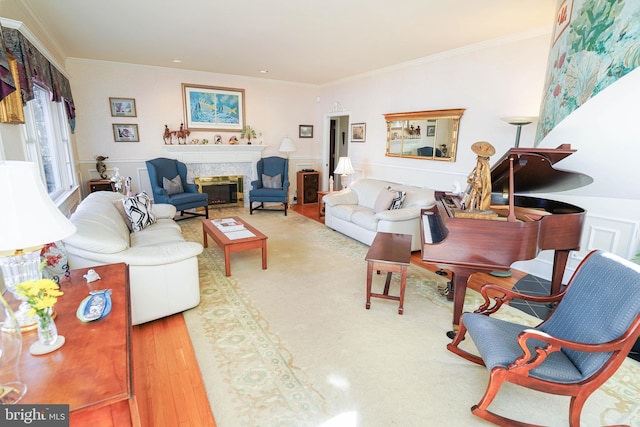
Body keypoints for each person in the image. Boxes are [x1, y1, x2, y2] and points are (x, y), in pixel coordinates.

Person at [462, 141, 495, 211]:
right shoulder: (484, 162)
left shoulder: (482, 162)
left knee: (474, 194)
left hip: (478, 181)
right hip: (478, 180)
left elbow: (480, 172)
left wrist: (476, 179)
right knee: (475, 194)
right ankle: (474, 207)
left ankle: (471, 208)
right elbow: (477, 170)